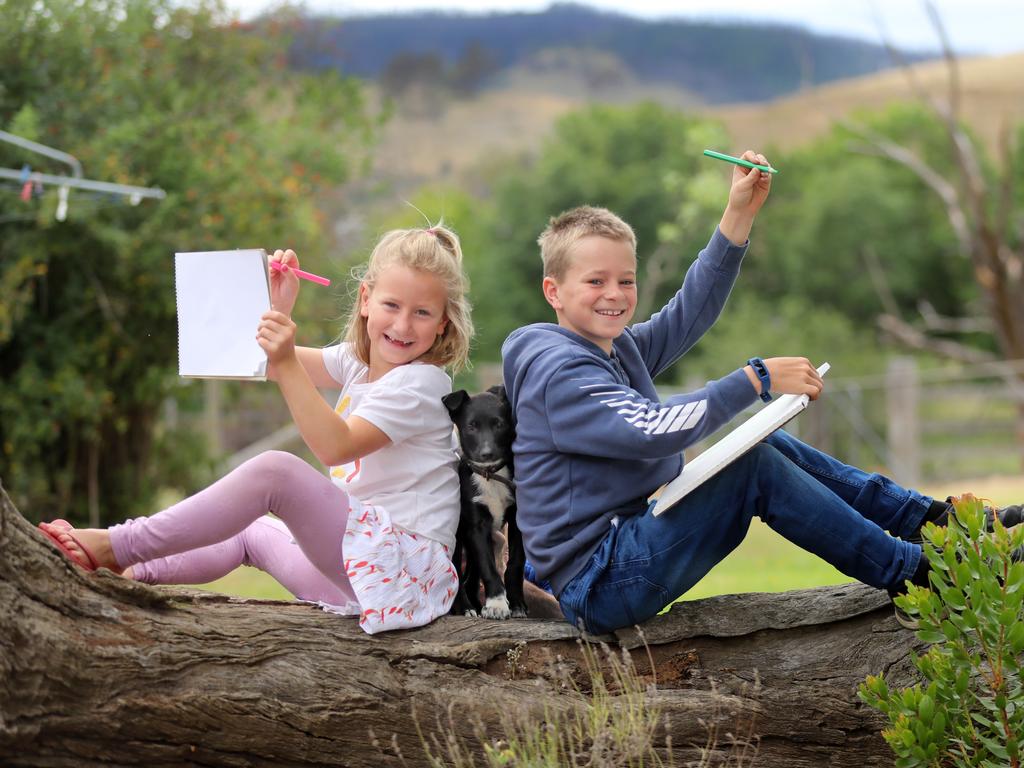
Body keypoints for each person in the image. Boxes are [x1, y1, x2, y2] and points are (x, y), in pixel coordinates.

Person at [502, 150, 1023, 635]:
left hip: (625, 546)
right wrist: (756, 379)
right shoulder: (560, 372)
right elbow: (650, 432)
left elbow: (689, 313)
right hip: (597, 583)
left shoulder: (610, 348)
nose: (614, 294)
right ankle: (921, 576)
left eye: (626, 281)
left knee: (763, 447)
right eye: (595, 282)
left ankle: (939, 525)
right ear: (554, 291)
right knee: (753, 470)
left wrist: (738, 216)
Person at [39, 225, 474, 634]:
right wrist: (277, 310)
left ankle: (116, 543)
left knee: (276, 473)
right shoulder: (359, 363)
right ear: (365, 300)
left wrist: (285, 360)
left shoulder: (422, 383)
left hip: (403, 573)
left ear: (442, 324)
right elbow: (259, 361)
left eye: (422, 313)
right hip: (363, 572)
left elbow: (334, 446)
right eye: (391, 305)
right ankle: (124, 570)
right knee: (247, 533)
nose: (401, 325)